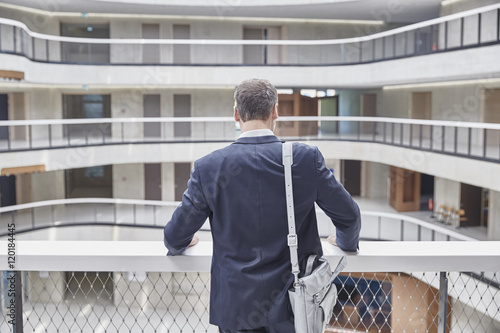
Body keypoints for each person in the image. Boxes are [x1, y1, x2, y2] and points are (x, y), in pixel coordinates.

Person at [163, 78, 361, 333]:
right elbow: (349, 217)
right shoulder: (304, 159)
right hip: (294, 308)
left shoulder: (209, 167)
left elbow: (173, 237)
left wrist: (184, 241)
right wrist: (344, 243)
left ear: (236, 114)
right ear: (275, 111)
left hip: (236, 311)